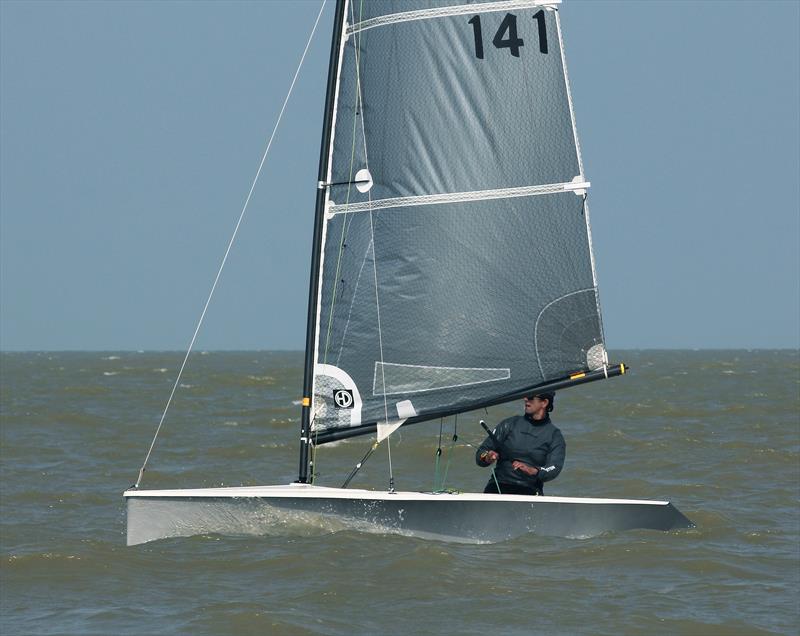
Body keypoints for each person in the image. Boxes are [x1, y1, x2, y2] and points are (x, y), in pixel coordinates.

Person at [475, 391, 565, 495]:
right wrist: (487, 457)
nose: (526, 399)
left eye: (531, 397)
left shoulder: (554, 435)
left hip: (529, 490)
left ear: (544, 403)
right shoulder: (509, 424)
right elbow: (480, 453)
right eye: (526, 396)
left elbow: (554, 467)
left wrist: (533, 470)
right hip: (498, 486)